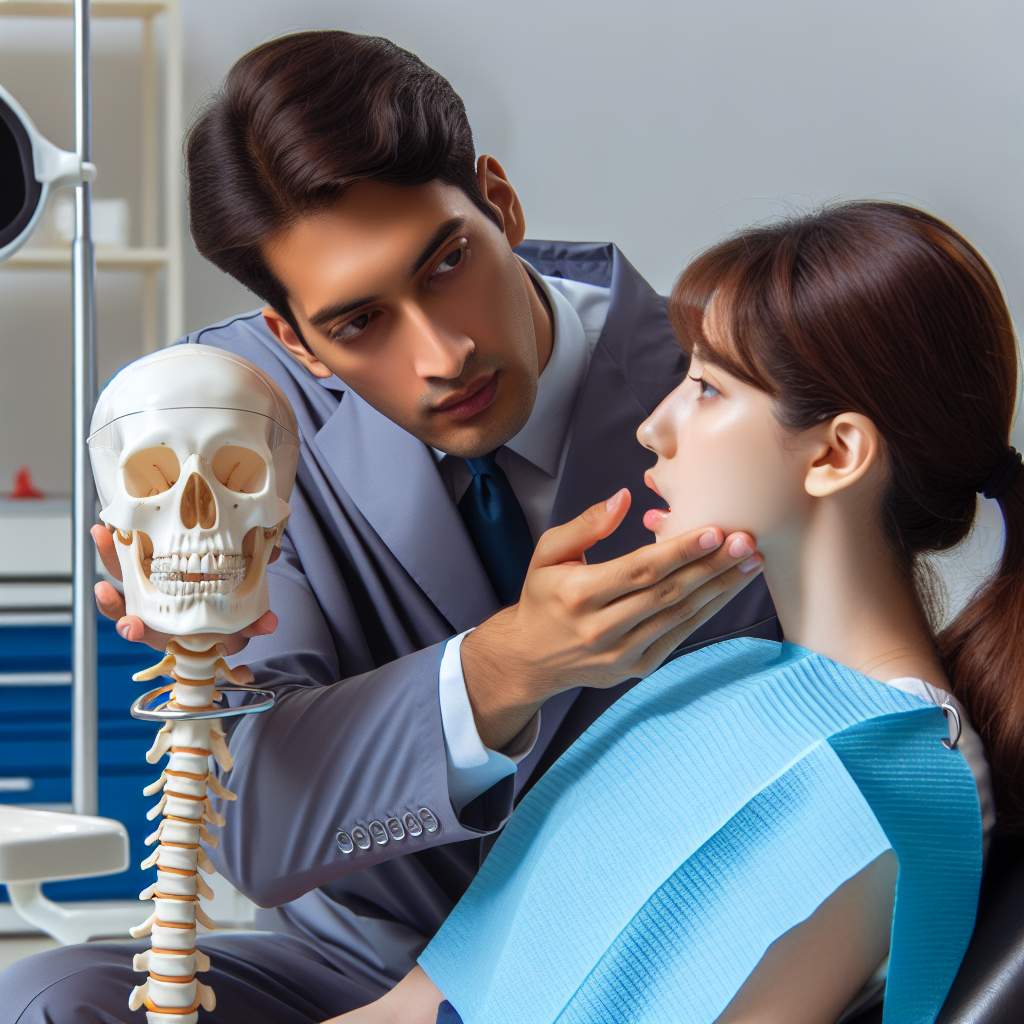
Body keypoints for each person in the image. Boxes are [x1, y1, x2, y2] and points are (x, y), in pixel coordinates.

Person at [1, 30, 777, 1023]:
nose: (443, 353)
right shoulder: (229, 423)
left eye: (448, 262)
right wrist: (504, 667)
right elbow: (256, 834)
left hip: (663, 972)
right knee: (50, 997)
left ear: (499, 203)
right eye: (358, 321)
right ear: (294, 338)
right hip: (364, 975)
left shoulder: (727, 385)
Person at [324, 200, 1017, 1023]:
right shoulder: (709, 680)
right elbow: (420, 1003)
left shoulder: (892, 773)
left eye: (707, 388)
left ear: (835, 454)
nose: (656, 428)